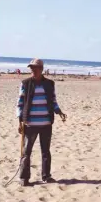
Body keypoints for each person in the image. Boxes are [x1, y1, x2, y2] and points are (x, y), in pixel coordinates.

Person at [16, 58, 67, 186]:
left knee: (45, 151)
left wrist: (59, 111)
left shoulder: (49, 84)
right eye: (31, 67)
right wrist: (19, 121)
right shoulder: (25, 83)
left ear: (41, 69)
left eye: (35, 67)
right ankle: (24, 178)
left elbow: (53, 100)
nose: (33, 70)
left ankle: (46, 176)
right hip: (30, 124)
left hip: (46, 124)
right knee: (26, 152)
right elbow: (20, 103)